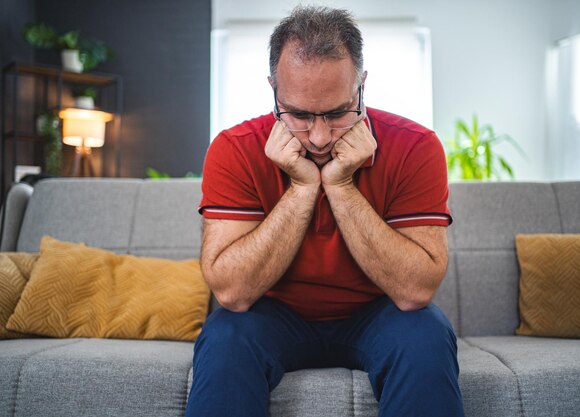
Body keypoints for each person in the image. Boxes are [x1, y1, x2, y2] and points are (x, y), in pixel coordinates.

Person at [186, 6, 465, 417]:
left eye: (337, 113)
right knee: (226, 333)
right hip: (271, 313)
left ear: (362, 85)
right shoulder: (234, 148)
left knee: (425, 331)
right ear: (273, 89)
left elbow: (414, 291)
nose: (319, 137)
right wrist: (302, 188)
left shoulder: (416, 147)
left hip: (378, 313)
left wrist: (340, 185)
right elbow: (231, 292)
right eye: (298, 114)